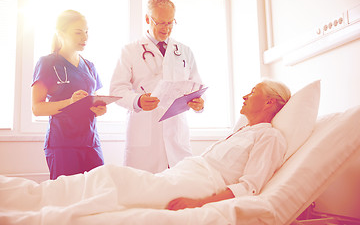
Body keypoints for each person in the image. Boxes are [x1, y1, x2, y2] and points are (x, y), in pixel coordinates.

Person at [1, 79, 291, 217]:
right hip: (185, 172)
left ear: (269, 103)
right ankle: (31, 198)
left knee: (113, 178)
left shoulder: (269, 137)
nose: (244, 95)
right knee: (109, 177)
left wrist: (199, 203)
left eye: (252, 92)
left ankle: (40, 212)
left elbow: (250, 187)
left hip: (199, 184)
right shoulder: (242, 130)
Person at [110, 0, 205, 173]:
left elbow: (197, 86)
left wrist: (199, 102)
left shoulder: (184, 51)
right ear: (147, 19)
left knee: (179, 187)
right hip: (145, 133)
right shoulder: (130, 51)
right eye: (160, 23)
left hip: (176, 133)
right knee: (142, 191)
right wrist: (137, 100)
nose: (166, 28)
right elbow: (116, 90)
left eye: (170, 22)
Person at [31, 10, 107, 180]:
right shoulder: (47, 63)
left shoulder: (90, 66)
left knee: (98, 193)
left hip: (91, 143)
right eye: (78, 32)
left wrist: (98, 109)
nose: (85, 37)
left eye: (86, 32)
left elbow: (91, 102)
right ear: (60, 33)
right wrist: (70, 102)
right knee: (66, 198)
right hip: (62, 145)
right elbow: (37, 108)